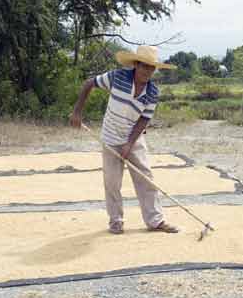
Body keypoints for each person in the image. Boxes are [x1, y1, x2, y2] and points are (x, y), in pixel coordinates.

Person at [70, 45, 179, 235]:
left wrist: (129, 143)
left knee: (146, 179)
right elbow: (89, 83)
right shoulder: (117, 77)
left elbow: (144, 119)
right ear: (136, 65)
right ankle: (116, 222)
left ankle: (155, 221)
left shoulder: (153, 92)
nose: (147, 71)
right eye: (144, 66)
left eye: (151, 68)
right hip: (110, 138)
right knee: (112, 182)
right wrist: (77, 112)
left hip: (134, 139)